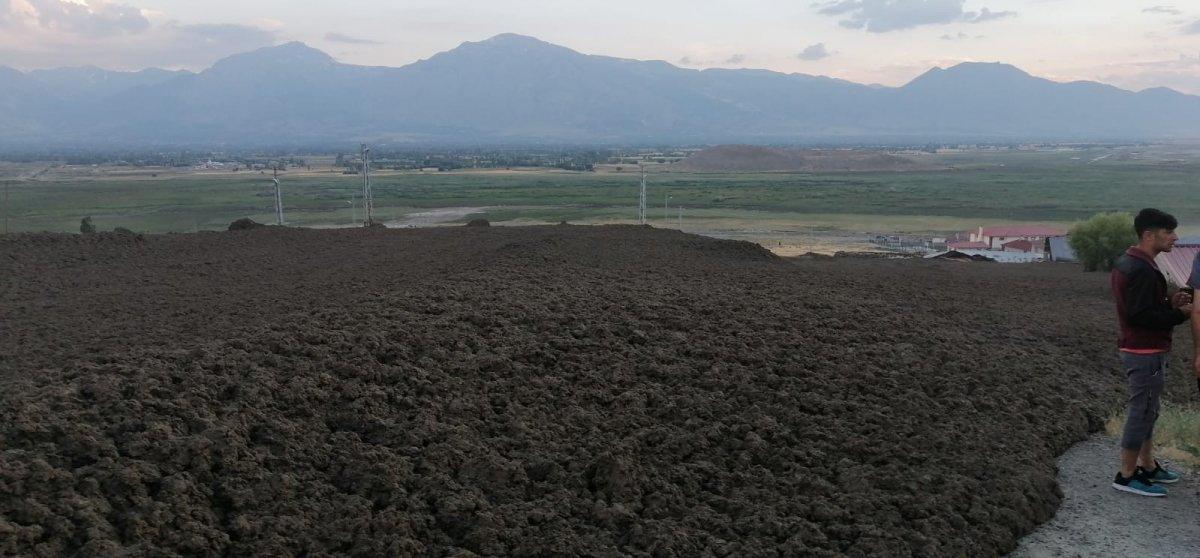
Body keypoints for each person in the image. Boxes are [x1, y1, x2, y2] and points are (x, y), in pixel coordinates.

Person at [1110, 208, 1189, 497]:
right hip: (1144, 352)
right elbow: (1140, 316)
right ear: (1148, 234)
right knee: (1141, 411)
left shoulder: (1134, 263)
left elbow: (1142, 308)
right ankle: (1127, 475)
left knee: (1148, 411)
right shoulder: (1141, 269)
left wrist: (1169, 303)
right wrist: (1180, 314)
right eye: (1168, 232)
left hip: (1143, 349)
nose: (1175, 237)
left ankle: (1148, 464)